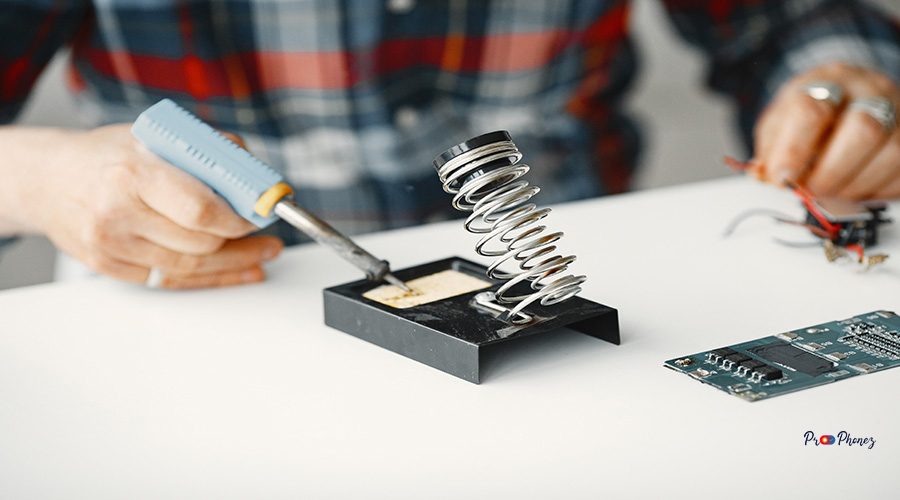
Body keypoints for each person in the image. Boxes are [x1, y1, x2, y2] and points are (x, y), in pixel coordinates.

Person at [0, 0, 897, 289]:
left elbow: (789, 18)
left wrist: (839, 82)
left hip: (584, 266)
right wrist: (38, 178)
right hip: (197, 290)